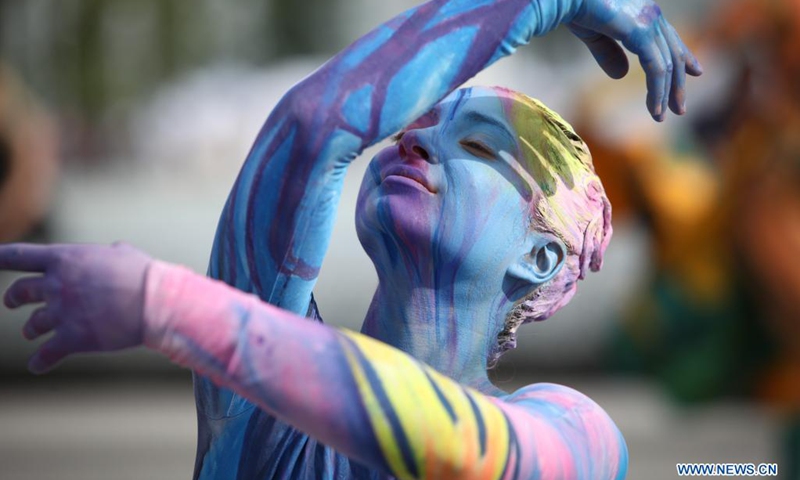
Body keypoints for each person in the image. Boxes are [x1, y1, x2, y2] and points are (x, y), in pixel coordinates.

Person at [0, 0, 700, 478]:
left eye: (481, 146)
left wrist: (163, 303)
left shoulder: (579, 434)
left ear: (539, 256)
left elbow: (459, 447)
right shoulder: (266, 403)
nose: (415, 138)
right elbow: (313, 129)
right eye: (417, 123)